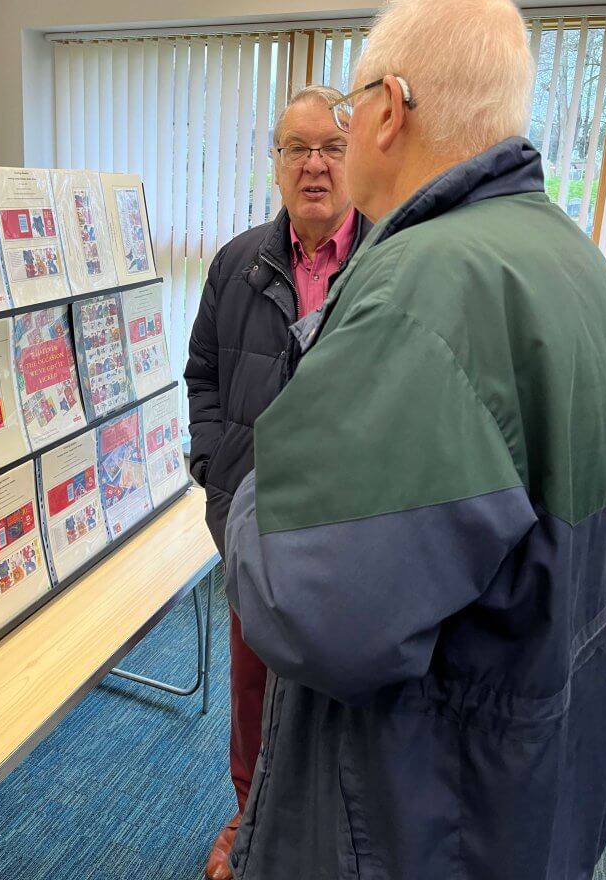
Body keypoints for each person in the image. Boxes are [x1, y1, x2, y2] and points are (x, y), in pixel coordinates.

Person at [225, 0, 606, 880]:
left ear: (389, 110)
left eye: (351, 111)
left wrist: (253, 489)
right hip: (533, 778)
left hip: (419, 809)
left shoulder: (426, 286)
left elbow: (310, 605)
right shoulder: (571, 260)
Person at [185, 85, 370, 880]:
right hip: (255, 527)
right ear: (277, 163)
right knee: (253, 688)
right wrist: (215, 474)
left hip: (353, 532)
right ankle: (248, 819)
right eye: (297, 149)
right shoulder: (236, 266)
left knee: (344, 698)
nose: (316, 166)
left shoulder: (391, 266)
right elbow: (202, 379)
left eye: (331, 147)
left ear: (356, 156)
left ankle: (330, 843)